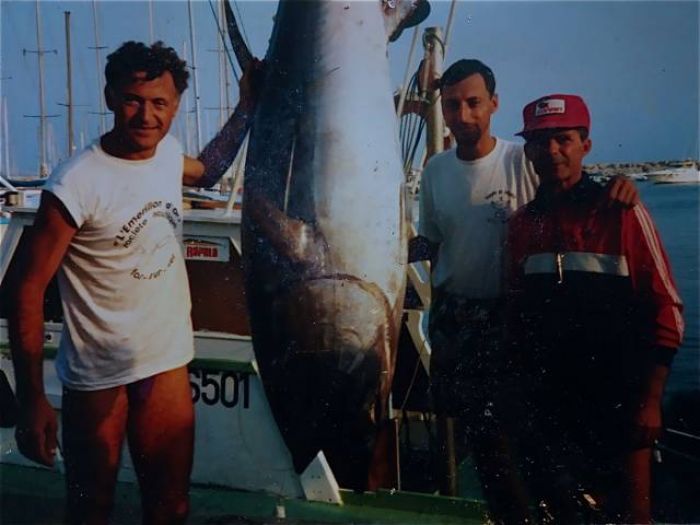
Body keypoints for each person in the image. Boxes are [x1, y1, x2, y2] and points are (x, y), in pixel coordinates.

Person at [9, 41, 262, 524]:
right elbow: (27, 289)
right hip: (97, 374)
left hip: (163, 361)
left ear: (175, 105)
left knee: (171, 506)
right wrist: (32, 400)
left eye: (159, 103)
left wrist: (248, 105)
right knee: (91, 509)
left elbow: (208, 170)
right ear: (109, 97)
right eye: (132, 99)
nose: (146, 116)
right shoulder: (75, 183)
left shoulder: (166, 154)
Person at [409, 59, 639, 523]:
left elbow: (570, 187)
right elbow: (430, 242)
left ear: (494, 104)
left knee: (526, 434)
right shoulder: (434, 171)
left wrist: (619, 187)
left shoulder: (522, 158)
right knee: (477, 435)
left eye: (474, 103)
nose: (464, 115)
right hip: (455, 317)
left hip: (515, 316)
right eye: (452, 105)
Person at [506, 93, 684, 523]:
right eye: (540, 141)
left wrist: (651, 401)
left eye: (563, 139)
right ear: (527, 151)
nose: (551, 152)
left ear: (585, 145)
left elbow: (668, 312)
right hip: (553, 401)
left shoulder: (621, 213)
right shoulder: (522, 226)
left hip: (620, 399)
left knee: (633, 515)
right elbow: (517, 314)